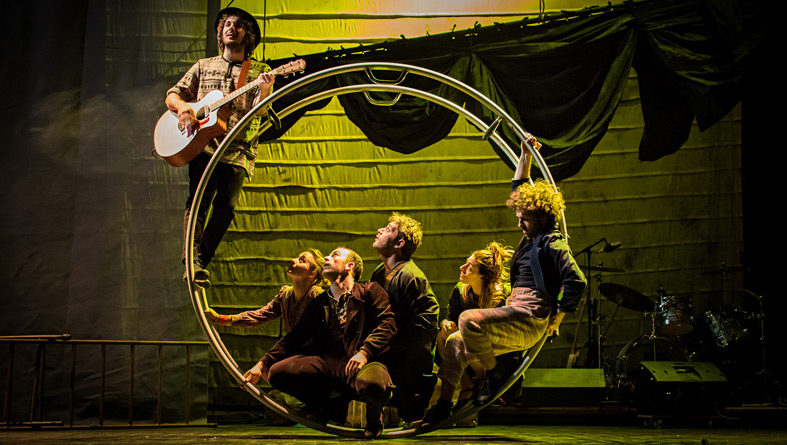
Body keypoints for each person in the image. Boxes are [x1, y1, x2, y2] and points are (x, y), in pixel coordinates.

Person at [423, 136, 587, 425]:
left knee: (467, 319)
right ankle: (443, 406)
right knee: (454, 343)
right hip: (515, 312)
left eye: (524, 218)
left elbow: (576, 281)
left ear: (541, 216)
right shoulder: (531, 236)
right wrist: (525, 154)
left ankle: (491, 375)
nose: (519, 223)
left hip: (530, 317)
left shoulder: (552, 242)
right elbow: (520, 186)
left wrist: (557, 319)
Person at [166, 7, 275, 287]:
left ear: (248, 34)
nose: (231, 28)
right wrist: (184, 110)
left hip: (238, 148)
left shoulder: (259, 71)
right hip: (204, 144)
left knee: (226, 207)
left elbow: (261, 112)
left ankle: (201, 259)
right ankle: (191, 261)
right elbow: (173, 95)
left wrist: (264, 91)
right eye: (227, 24)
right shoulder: (203, 66)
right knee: (198, 202)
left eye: (238, 25)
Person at [242, 247, 396, 439]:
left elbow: (387, 324)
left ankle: (374, 418)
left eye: (335, 255)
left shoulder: (369, 290)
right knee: (277, 372)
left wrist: (364, 352)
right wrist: (262, 364)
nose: (326, 257)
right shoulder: (321, 301)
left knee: (374, 384)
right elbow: (295, 336)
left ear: (349, 266)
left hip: (366, 362)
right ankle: (328, 406)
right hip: (333, 365)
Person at [370, 213, 440, 423]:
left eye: (388, 229)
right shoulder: (379, 273)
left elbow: (427, 319)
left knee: (410, 414)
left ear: (399, 243)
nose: (380, 230)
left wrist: (393, 344)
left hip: (408, 366)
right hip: (388, 355)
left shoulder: (411, 276)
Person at [434, 242, 511, 404]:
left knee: (468, 339)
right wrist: (446, 323)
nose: (462, 267)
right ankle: (467, 384)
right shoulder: (461, 290)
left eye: (469, 266)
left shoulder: (502, 297)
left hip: (493, 353)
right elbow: (451, 317)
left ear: (483, 275)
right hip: (468, 353)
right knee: (443, 336)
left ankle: (486, 381)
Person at [204, 249, 327, 331]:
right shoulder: (286, 296)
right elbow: (259, 316)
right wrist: (221, 319)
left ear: (312, 273)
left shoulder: (319, 298)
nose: (293, 260)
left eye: (301, 260)